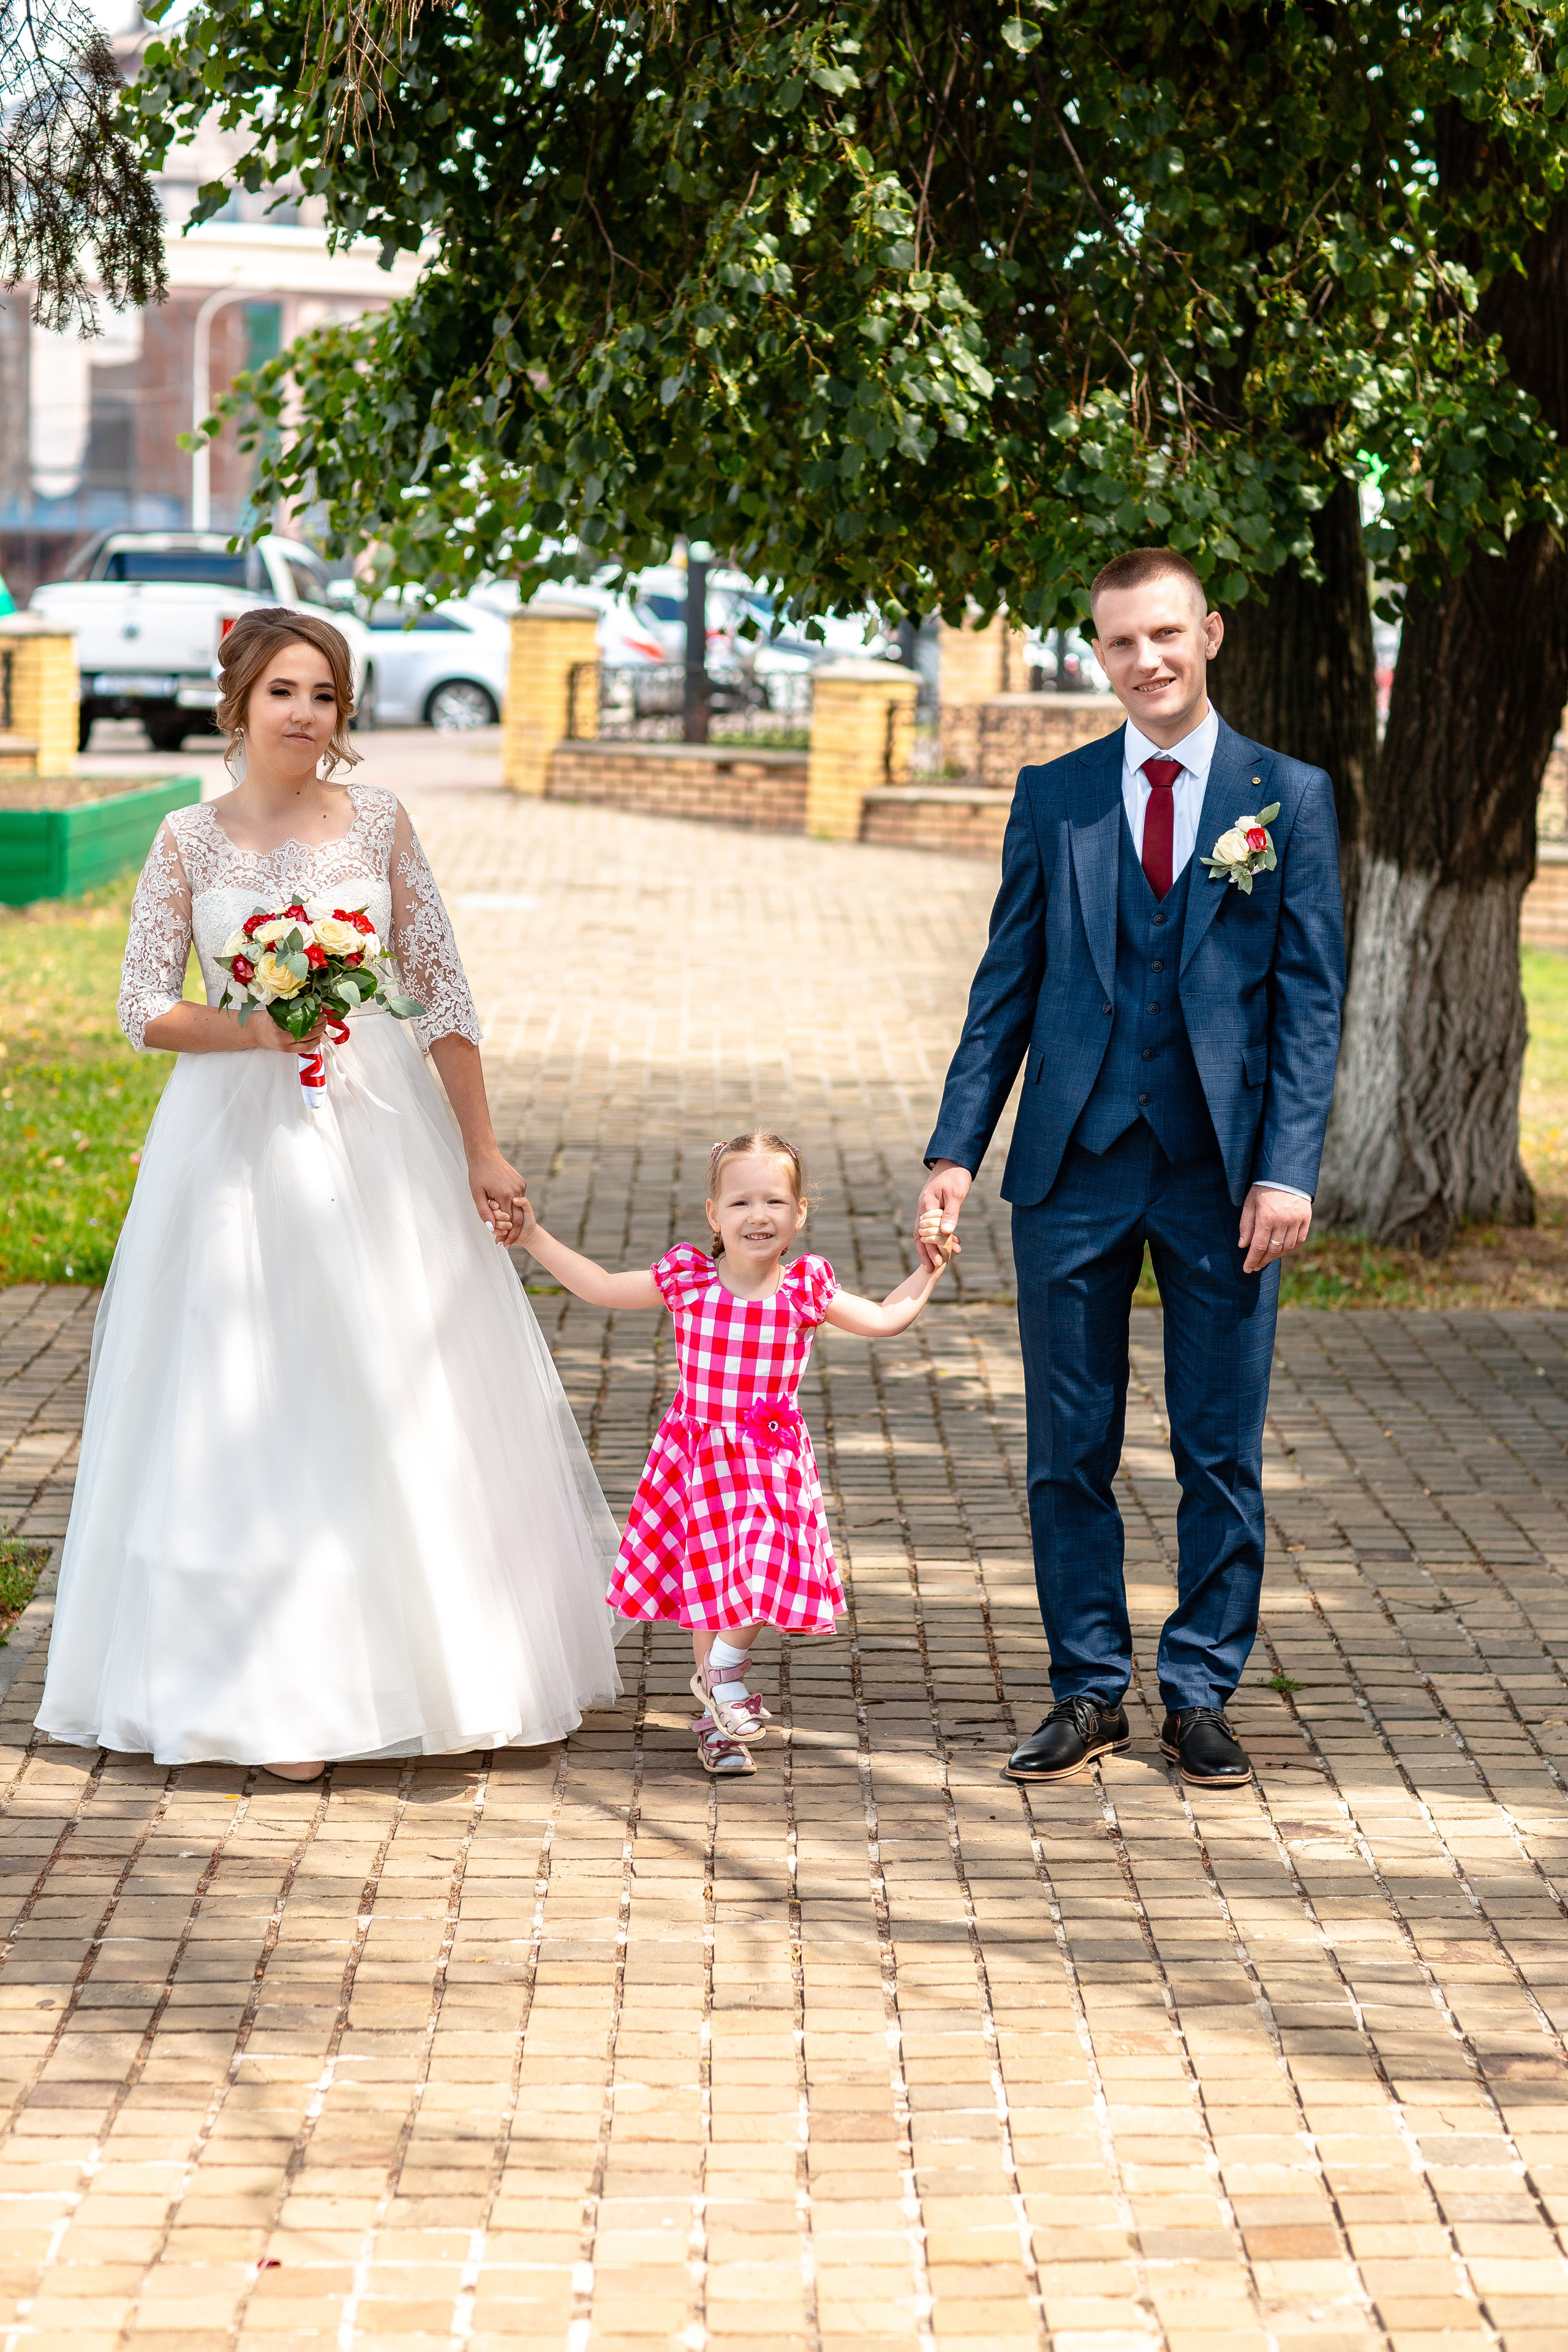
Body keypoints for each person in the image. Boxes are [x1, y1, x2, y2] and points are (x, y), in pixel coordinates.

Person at [36, 608, 622, 1776]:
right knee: (247, 1385)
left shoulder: (383, 824)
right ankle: (269, 1689)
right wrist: (253, 1025)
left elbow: (444, 995)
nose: (307, 716)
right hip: (234, 1144)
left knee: (392, 1378)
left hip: (377, 1127)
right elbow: (141, 1005)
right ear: (239, 705)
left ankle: (438, 1665)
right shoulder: (185, 841)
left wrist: (483, 1149)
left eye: (325, 696)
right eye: (284, 694)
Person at [917, 549, 1344, 1790]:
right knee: (1067, 1443)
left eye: (1164, 634)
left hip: (1223, 1176)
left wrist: (1287, 1168)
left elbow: (1307, 1001)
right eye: (1119, 643)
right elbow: (1002, 990)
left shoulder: (1287, 798)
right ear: (1094, 655)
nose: (1145, 660)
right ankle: (1087, 1689)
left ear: (1207, 632)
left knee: (1217, 1446)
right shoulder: (1055, 796)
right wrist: (955, 1149)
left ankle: (1200, 1689)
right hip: (1071, 1164)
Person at [516, 1133, 954, 1775]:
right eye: (741, 1201)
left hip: (768, 1464)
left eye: (775, 1201)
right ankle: (717, 1718)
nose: (759, 1215)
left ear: (800, 1213)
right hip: (698, 1459)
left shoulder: (805, 1289)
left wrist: (929, 1267)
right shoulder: (690, 1282)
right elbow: (604, 1287)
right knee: (715, 1592)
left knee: (754, 1569)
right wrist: (533, 1237)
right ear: (713, 1214)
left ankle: (722, 1670)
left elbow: (886, 1319)